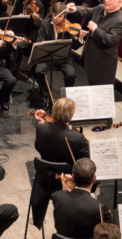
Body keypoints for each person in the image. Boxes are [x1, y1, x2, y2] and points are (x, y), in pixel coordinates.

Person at [30, 98, 90, 229]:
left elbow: (38, 146)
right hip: (65, 184)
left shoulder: (41, 129)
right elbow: (85, 165)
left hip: (44, 180)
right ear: (71, 115)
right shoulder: (77, 138)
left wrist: (41, 123)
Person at [65, 0, 122, 85]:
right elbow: (87, 11)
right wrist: (74, 9)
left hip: (103, 65)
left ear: (119, 2)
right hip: (91, 59)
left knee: (99, 92)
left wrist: (95, 29)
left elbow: (109, 40)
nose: (106, 0)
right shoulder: (101, 8)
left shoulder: (120, 21)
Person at [33, 2, 86, 107]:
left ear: (64, 15)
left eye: (60, 16)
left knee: (70, 74)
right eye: (55, 15)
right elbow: (40, 40)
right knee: (38, 71)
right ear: (52, 13)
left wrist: (80, 38)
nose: (57, 19)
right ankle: (45, 95)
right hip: (48, 56)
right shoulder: (45, 24)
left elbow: (74, 46)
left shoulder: (68, 26)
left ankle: (66, 98)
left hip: (64, 57)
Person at [51, 159, 112, 239]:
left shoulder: (57, 196)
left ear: (73, 176)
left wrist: (65, 189)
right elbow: (108, 233)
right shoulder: (99, 208)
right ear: (94, 179)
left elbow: (68, 204)